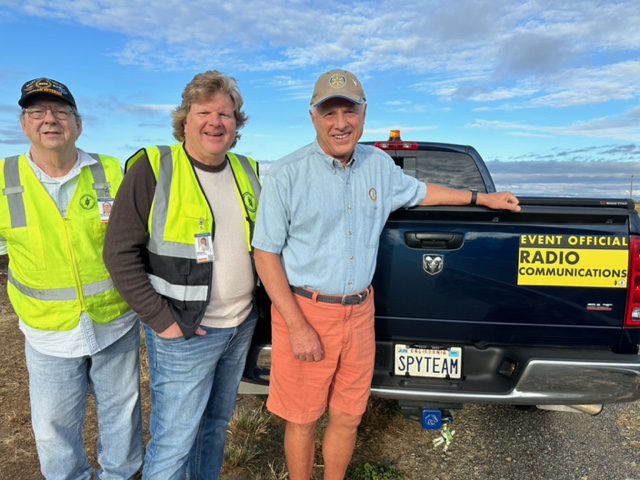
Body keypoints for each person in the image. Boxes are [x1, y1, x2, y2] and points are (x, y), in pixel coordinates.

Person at [252, 69, 521, 480]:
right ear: (313, 117)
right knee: (303, 420)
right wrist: (296, 324)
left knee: (347, 416)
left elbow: (422, 191)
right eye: (329, 112)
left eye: (350, 111)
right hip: (307, 313)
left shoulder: (379, 165)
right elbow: (265, 253)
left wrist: (480, 198)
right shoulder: (288, 174)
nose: (340, 122)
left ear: (363, 114)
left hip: (360, 313)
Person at [103, 70, 261, 479]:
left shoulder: (249, 171)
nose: (216, 122)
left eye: (225, 114)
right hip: (185, 332)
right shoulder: (154, 168)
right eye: (204, 112)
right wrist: (162, 322)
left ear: (236, 124)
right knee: (174, 442)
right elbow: (119, 253)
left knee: (213, 429)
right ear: (184, 120)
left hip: (239, 326)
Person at [0, 77, 142, 479]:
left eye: (61, 111)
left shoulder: (112, 171)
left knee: (122, 414)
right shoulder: (3, 178)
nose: (50, 119)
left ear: (78, 125)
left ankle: (121, 475)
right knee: (53, 427)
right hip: (47, 331)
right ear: (24, 124)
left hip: (114, 321)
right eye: (37, 112)